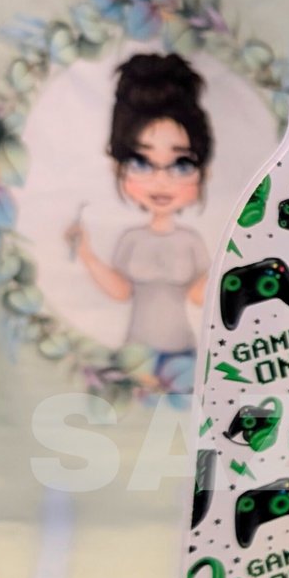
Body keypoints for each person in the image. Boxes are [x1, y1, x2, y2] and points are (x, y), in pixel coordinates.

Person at [65, 52, 212, 394]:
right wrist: (86, 254)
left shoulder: (190, 240)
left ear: (202, 171)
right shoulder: (132, 239)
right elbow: (121, 291)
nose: (161, 181)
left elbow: (198, 296)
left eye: (180, 165)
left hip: (184, 356)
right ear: (118, 167)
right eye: (141, 163)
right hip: (134, 357)